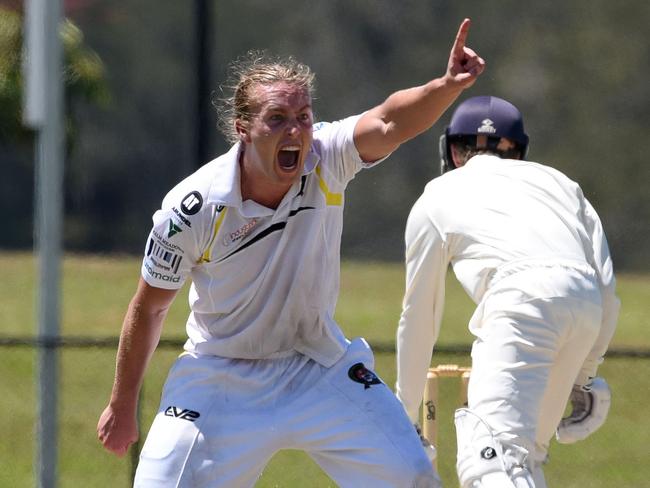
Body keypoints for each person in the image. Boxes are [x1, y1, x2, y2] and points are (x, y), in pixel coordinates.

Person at [97, 19, 484, 487]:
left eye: (303, 116)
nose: (296, 131)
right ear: (243, 128)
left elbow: (389, 121)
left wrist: (445, 87)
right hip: (222, 374)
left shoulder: (326, 155)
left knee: (412, 475)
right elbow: (151, 306)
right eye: (277, 118)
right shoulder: (194, 207)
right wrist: (122, 405)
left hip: (316, 364)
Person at [395, 95, 620, 488]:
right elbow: (605, 288)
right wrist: (583, 378)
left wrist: (405, 414)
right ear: (518, 151)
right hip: (583, 306)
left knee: (491, 461)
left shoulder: (437, 194)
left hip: (520, 302)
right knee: (525, 458)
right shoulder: (561, 184)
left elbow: (419, 316)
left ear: (452, 149)